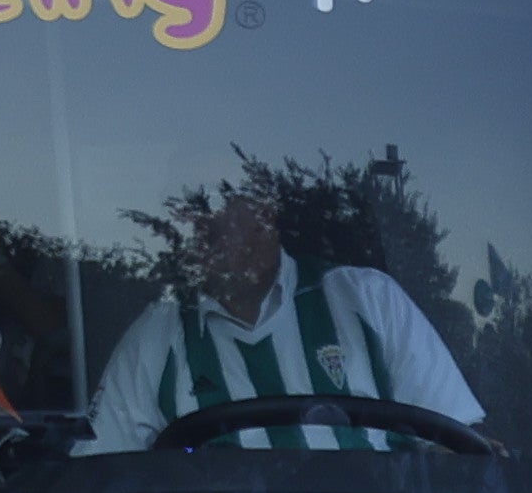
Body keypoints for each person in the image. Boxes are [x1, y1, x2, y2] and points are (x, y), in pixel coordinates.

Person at [83, 189, 482, 454]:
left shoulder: (367, 297)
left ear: (270, 214)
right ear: (191, 230)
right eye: (207, 216)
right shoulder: (160, 333)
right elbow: (101, 468)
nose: (231, 229)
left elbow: (453, 447)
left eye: (241, 209)